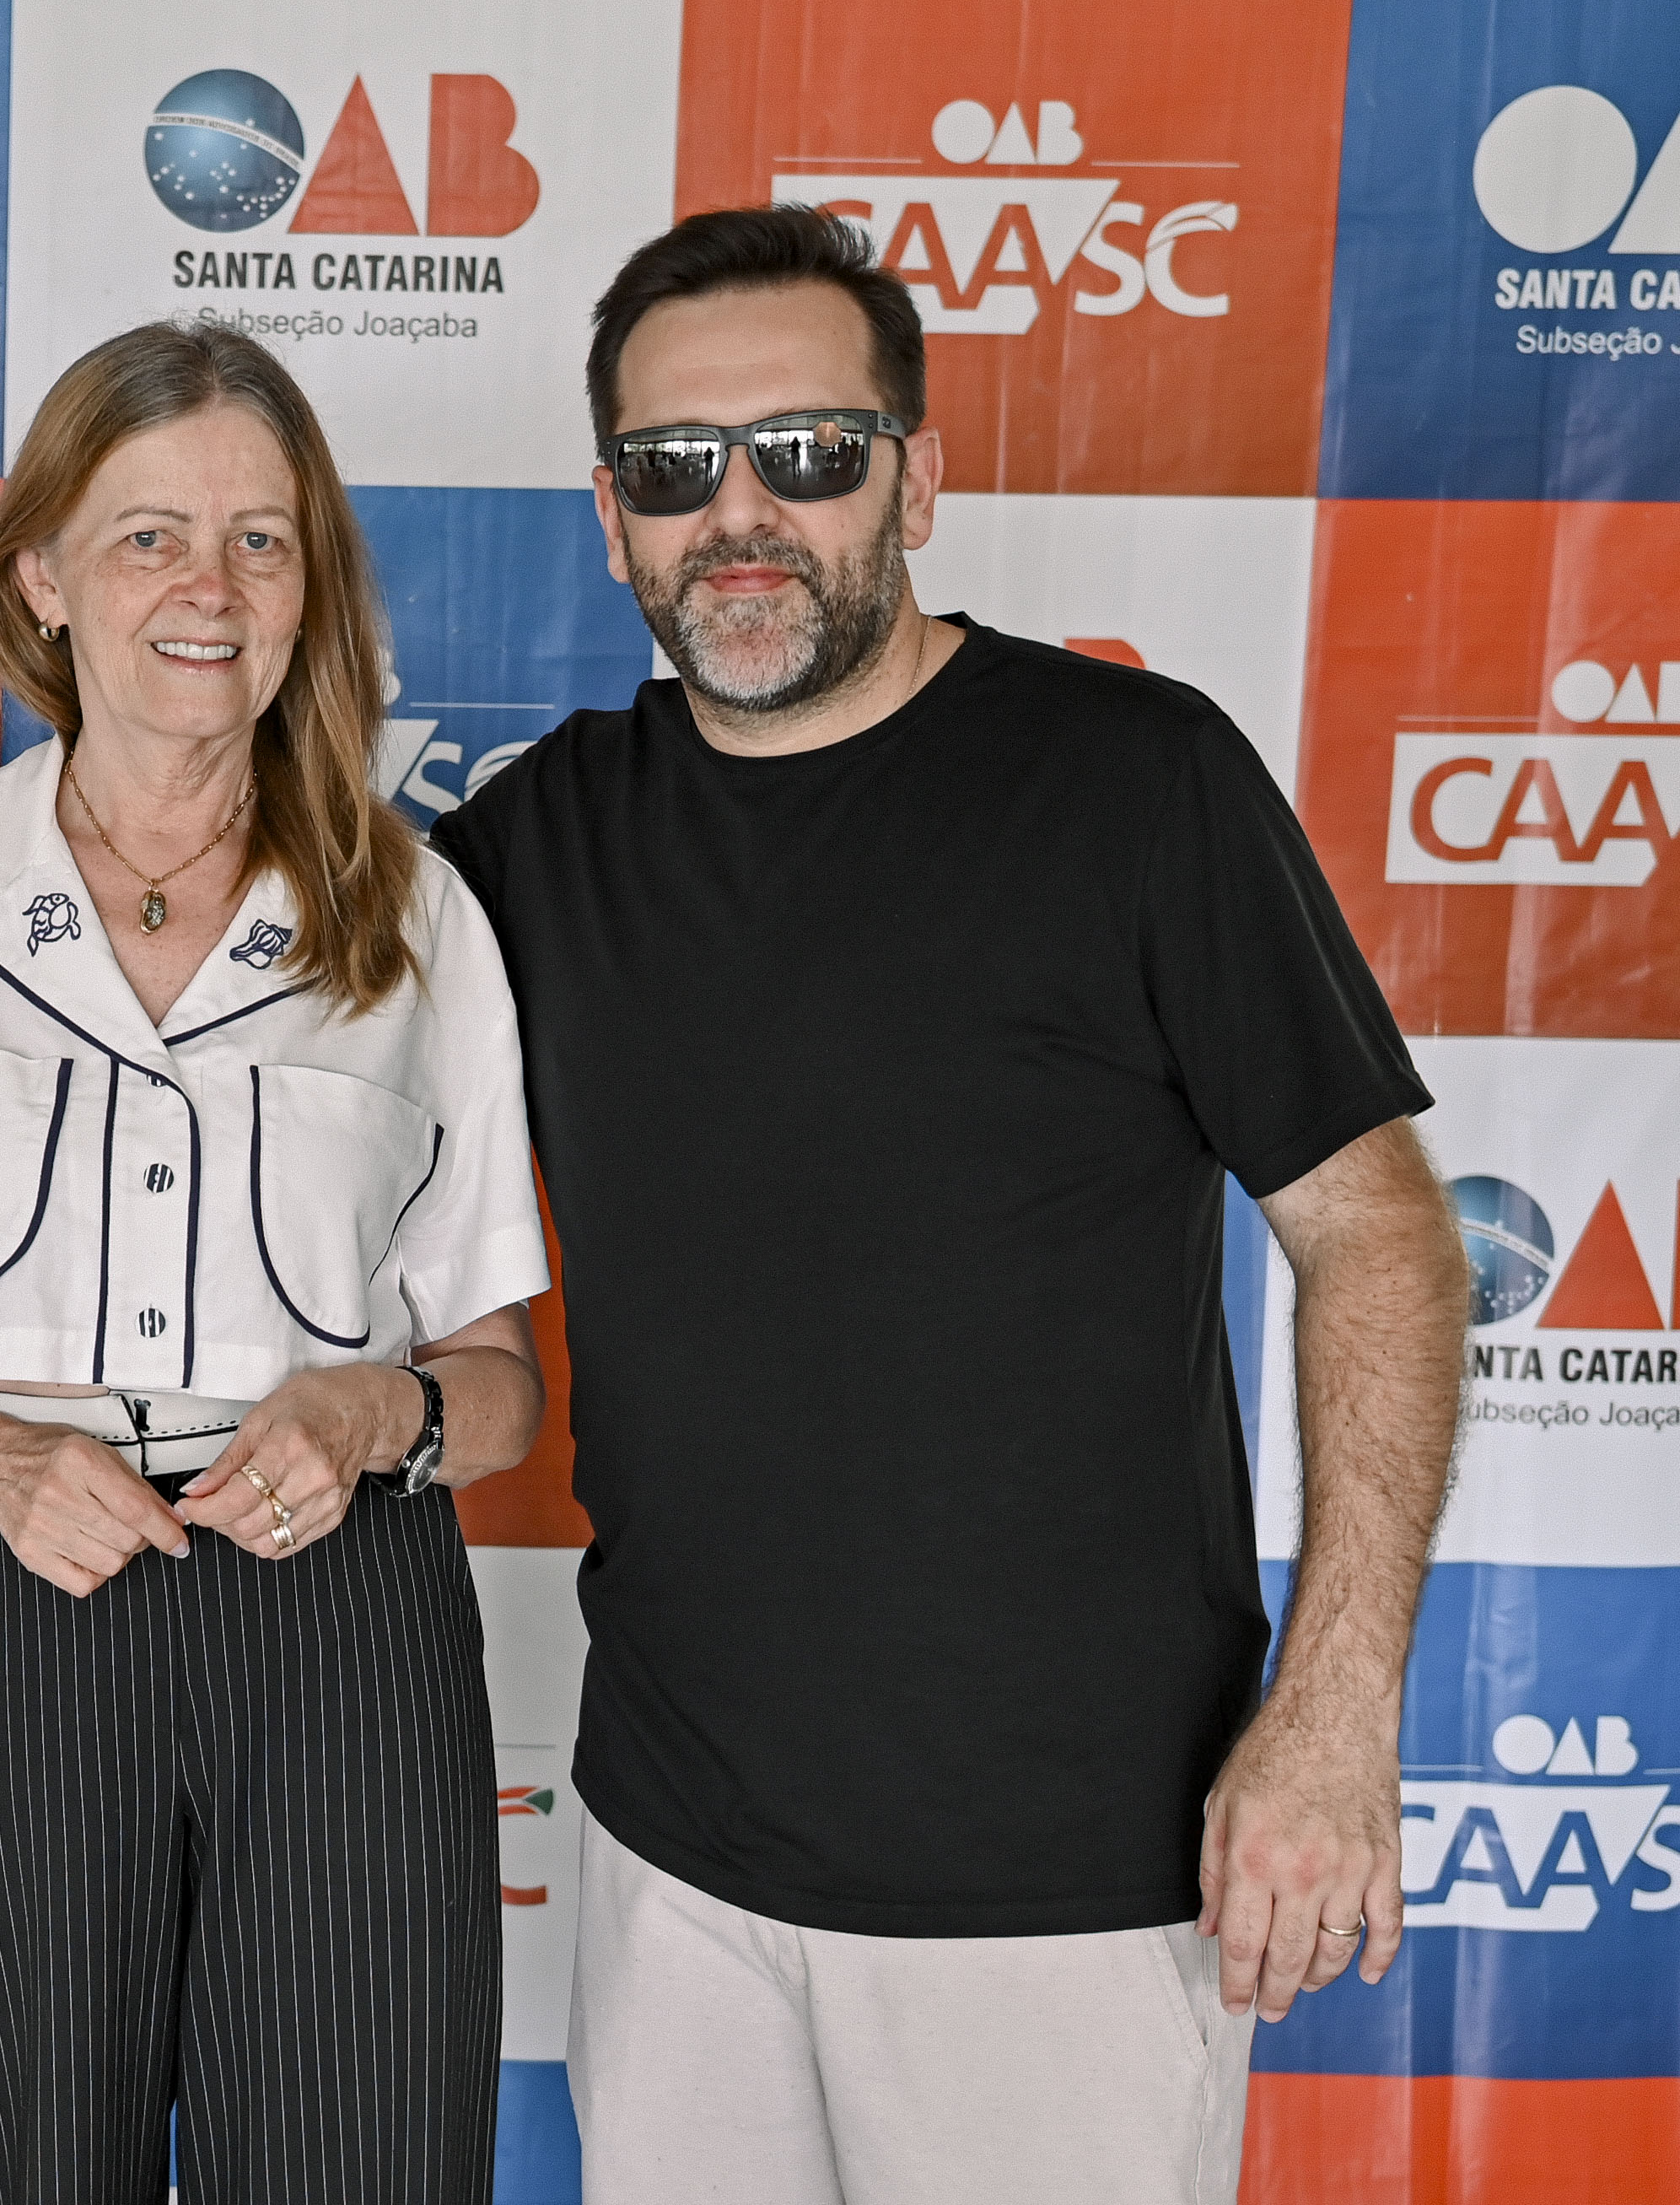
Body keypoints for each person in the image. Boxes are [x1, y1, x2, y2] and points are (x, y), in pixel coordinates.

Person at [431, 205, 1470, 2205]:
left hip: (1068, 1892)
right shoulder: (546, 836)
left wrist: (1339, 1712)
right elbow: (244, 969)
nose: (741, 514)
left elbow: (1379, 1238)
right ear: (612, 517)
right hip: (676, 1875)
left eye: (810, 453)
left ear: (916, 479)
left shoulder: (1137, 783)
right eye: (677, 467)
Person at [0, 321, 554, 2205]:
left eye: (259, 541)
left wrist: (377, 1416)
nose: (208, 587)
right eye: (148, 536)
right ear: (41, 577)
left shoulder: (419, 913)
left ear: (310, 590)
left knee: (363, 2167)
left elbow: (505, 1386)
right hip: (4, 1601)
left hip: (341, 1622)